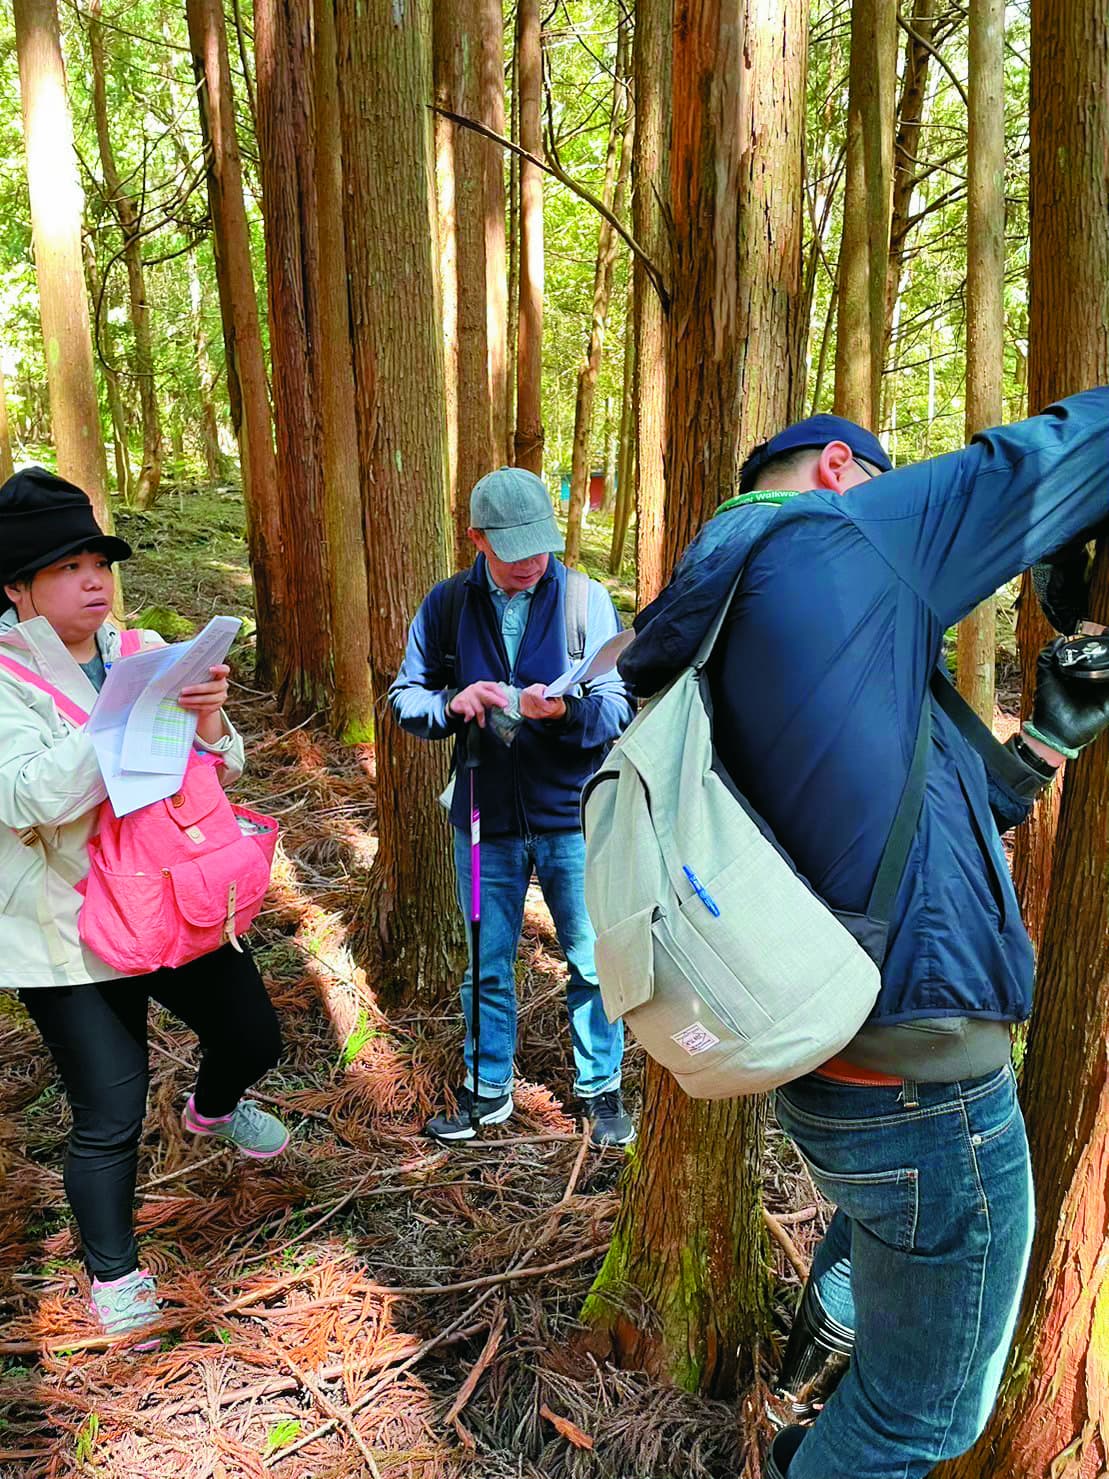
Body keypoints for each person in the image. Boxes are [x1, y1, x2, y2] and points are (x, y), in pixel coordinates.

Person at [618, 391, 1109, 1479]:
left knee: (876, 1266)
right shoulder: (832, 542)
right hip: (923, 1092)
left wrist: (1042, 741)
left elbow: (899, 830)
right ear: (842, 470)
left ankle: (797, 1412)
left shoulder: (728, 620)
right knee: (918, 1421)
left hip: (829, 1062)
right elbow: (1036, 463)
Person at [0, 468, 288, 1346]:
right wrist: (117, 723)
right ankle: (114, 1273)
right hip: (65, 931)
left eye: (98, 560)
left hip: (169, 895)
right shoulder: (6, 681)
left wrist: (204, 719)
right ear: (16, 588)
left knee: (253, 1036)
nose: (94, 579)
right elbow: (23, 796)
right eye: (66, 566)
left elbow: (218, 766)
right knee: (109, 1110)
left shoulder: (141, 648)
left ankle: (211, 1108)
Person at [390, 466, 635, 1146]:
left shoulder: (586, 601)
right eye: (514, 548)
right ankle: (487, 1088)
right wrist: (450, 704)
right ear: (476, 538)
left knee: (590, 961)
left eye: (541, 545)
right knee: (486, 960)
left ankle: (599, 1090)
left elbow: (616, 705)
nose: (531, 561)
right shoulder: (445, 606)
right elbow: (406, 696)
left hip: (573, 819)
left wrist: (559, 713)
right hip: (481, 820)